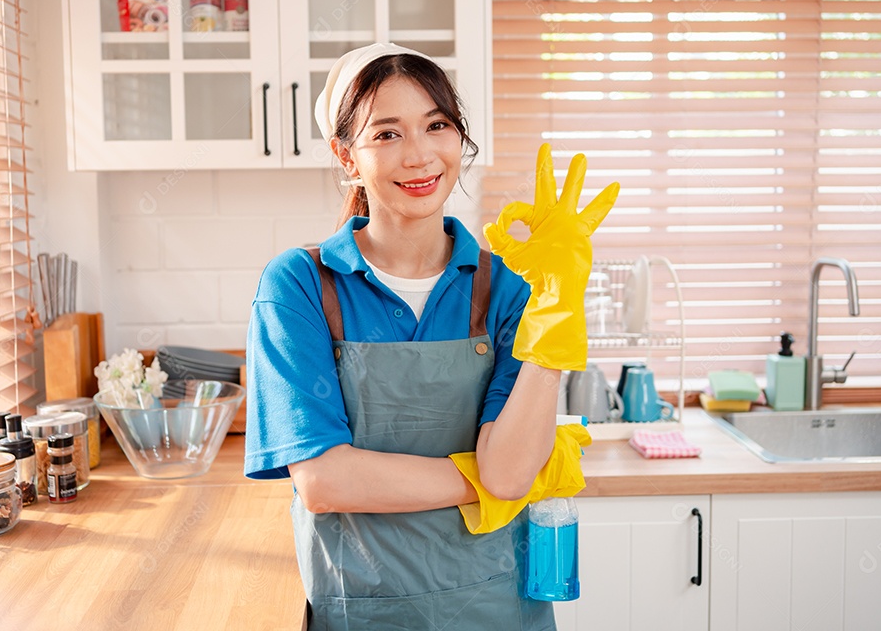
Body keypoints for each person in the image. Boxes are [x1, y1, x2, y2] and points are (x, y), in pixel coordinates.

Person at [245, 43, 619, 630]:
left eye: (437, 125)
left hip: (500, 612)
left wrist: (558, 316)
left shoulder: (510, 291)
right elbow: (323, 480)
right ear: (347, 156)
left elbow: (513, 473)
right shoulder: (300, 285)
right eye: (387, 134)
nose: (419, 155)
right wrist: (487, 476)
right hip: (365, 616)